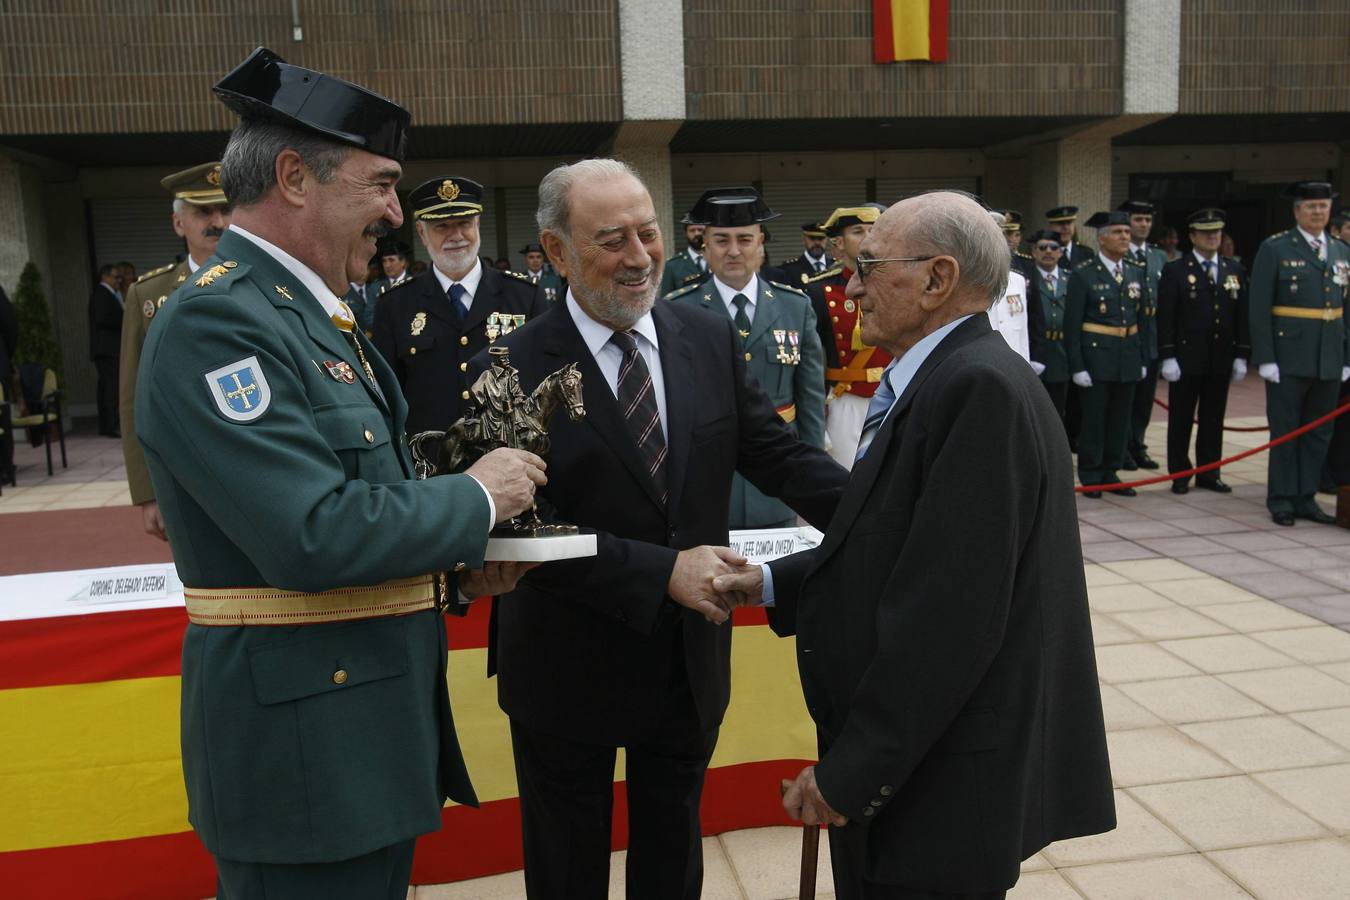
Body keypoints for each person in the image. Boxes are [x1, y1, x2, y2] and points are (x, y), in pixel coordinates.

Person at [134, 47, 544, 898]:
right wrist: (476, 495)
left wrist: (458, 571)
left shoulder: (316, 318)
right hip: (303, 764)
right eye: (383, 184)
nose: (398, 213)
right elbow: (309, 534)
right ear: (294, 176)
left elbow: (367, 508)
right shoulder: (219, 323)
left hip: (360, 743)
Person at [712, 190, 1115, 900]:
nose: (851, 284)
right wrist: (772, 582)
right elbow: (896, 541)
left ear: (937, 279)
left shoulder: (975, 390)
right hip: (931, 763)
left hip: (940, 775)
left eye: (869, 265)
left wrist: (851, 774)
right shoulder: (949, 375)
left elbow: (947, 613)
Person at [469, 158, 848, 900]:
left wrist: (888, 509)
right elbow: (521, 528)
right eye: (612, 240)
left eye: (650, 233)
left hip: (684, 661)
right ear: (555, 251)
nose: (640, 258)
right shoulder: (510, 364)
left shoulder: (703, 337)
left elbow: (776, 455)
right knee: (567, 862)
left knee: (672, 855)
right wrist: (657, 572)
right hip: (564, 664)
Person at [666, 186, 830, 528]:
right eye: (721, 240)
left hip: (778, 477)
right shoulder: (677, 310)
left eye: (745, 239)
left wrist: (810, 476)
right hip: (708, 477)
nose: (734, 251)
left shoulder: (795, 307)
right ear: (704, 246)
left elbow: (811, 399)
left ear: (761, 244)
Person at [372, 175, 546, 436]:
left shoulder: (524, 296)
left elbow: (542, 381)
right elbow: (387, 396)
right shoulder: (395, 305)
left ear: (477, 223)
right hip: (432, 465)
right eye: (442, 226)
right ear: (422, 232)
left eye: (464, 223)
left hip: (508, 458)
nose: (456, 236)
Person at [119, 161, 230, 540]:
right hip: (186, 469)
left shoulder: (273, 283)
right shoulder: (148, 295)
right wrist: (148, 492)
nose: (217, 221)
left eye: (225, 209)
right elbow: (134, 397)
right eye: (203, 211)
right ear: (178, 223)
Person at [1250, 181, 1350, 526]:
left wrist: (1347, 357)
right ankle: (1281, 498)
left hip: (1329, 358)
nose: (1318, 212)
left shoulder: (1340, 250)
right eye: (1311, 207)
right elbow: (1259, 307)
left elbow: (1346, 308)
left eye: (1323, 207)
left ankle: (1305, 497)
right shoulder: (1275, 248)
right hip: (1288, 358)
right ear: (1297, 211)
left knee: (1318, 433)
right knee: (1286, 430)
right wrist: (1265, 357)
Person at [1157, 208, 1250, 494]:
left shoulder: (1233, 269)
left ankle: (1209, 472)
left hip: (1220, 356)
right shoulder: (1176, 270)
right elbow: (1166, 316)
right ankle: (1181, 474)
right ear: (1193, 236)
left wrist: (1242, 354)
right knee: (1181, 418)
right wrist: (1168, 354)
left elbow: (1241, 315)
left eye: (1216, 232)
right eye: (1206, 232)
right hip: (1186, 358)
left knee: (1213, 418)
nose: (1212, 237)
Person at [1065, 210, 1148, 497]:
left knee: (1120, 419)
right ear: (1102, 239)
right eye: (1118, 232)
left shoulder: (1136, 270)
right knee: (1095, 418)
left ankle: (1111, 470)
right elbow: (1071, 324)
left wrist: (1143, 358)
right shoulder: (1084, 274)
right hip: (1096, 358)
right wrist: (1077, 365)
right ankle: (1091, 473)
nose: (1125, 237)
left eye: (1127, 232)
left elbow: (1144, 318)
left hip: (1127, 357)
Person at [805, 204, 893, 467]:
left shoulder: (898, 282)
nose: (868, 236)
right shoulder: (819, 290)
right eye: (858, 231)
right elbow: (809, 357)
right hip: (846, 400)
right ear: (839, 243)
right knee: (847, 476)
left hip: (894, 392)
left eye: (873, 230)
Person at [1120, 200, 1167, 471]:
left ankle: (1139, 444)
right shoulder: (1120, 253)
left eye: (1148, 220)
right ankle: (1123, 447)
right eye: (1138, 220)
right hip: (1126, 336)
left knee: (1145, 400)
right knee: (1125, 399)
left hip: (1151, 336)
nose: (1144, 225)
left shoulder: (1159, 256)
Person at [1029, 230, 1071, 421]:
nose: (1048, 251)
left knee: (1058, 409)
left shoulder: (1070, 278)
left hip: (1061, 352)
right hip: (1034, 349)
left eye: (1054, 247)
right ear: (1034, 252)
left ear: (1060, 252)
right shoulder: (1026, 279)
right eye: (1042, 247)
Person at [88, 263, 124, 437]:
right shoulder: (102, 294)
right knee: (111, 388)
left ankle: (107, 425)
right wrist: (125, 321)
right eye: (116, 277)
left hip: (106, 349)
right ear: (105, 276)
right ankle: (111, 425)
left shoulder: (108, 294)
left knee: (106, 387)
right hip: (108, 349)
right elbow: (103, 319)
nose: (119, 281)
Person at [657, 218, 708, 296]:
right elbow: (665, 301)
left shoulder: (717, 260)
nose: (696, 233)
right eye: (692, 230)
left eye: (700, 230)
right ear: (686, 233)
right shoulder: (673, 265)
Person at [779, 220, 834, 285]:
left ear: (827, 239)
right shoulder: (789, 270)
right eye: (812, 238)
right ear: (804, 239)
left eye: (820, 238)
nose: (817, 243)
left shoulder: (835, 266)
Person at [1046, 205, 1093, 270]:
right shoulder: (1044, 253)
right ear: (1050, 227)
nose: (1066, 227)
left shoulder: (1086, 253)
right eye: (1060, 223)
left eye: (1069, 223)